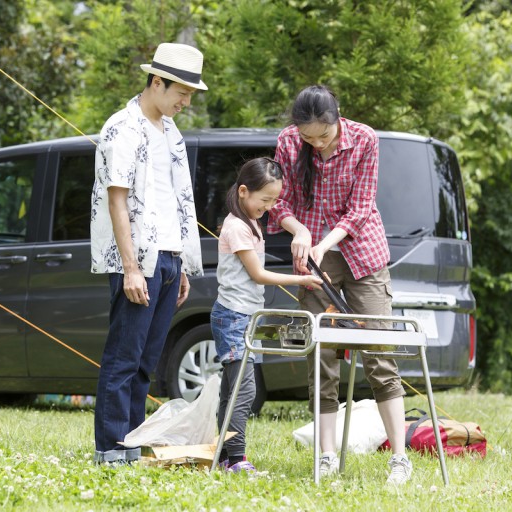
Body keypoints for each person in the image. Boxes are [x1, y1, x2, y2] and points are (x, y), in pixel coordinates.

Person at [267, 85, 413, 485]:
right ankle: (327, 455)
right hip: (311, 257)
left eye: (323, 136)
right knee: (322, 356)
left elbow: (361, 208)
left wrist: (321, 243)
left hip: (361, 256)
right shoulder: (287, 142)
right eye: (307, 138)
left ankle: (399, 458)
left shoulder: (365, 139)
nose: (316, 144)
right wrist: (297, 230)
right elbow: (279, 203)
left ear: (337, 120)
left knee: (379, 353)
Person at [90, 42, 207, 465]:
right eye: (182, 92)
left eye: (191, 95)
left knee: (146, 361)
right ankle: (110, 448)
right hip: (138, 261)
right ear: (156, 82)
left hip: (170, 258)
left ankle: (131, 445)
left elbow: (175, 202)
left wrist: (182, 266)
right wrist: (131, 268)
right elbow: (117, 201)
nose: (186, 101)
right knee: (123, 356)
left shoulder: (171, 133)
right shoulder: (122, 127)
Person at [212, 157, 322, 473]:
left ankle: (224, 457)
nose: (270, 206)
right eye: (265, 200)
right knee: (243, 391)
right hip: (234, 317)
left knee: (232, 391)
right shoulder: (236, 226)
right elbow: (258, 275)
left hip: (247, 317)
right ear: (244, 191)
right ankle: (236, 459)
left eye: (275, 200)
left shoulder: (250, 223)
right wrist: (300, 279)